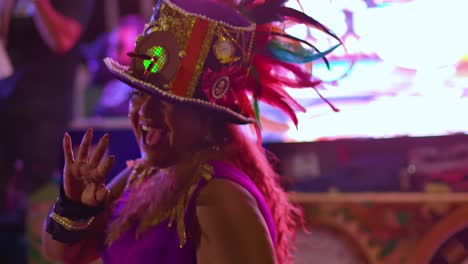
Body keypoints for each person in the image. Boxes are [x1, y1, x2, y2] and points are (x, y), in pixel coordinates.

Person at [41, 0, 341, 263]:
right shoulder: (144, 174)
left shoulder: (221, 198)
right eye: (139, 96)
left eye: (167, 102)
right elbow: (64, 253)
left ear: (208, 116)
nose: (145, 113)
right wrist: (74, 204)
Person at [0, 0, 94, 211]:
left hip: (46, 110)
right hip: (7, 100)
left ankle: (38, 242)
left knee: (38, 193)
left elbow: (61, 41)